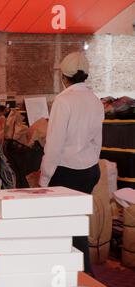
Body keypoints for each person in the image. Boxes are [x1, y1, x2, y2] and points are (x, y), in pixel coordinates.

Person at [39, 52, 104, 274]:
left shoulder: (63, 100)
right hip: (89, 170)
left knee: (62, 229)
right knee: (76, 225)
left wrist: (45, 178)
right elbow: (98, 141)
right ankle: (83, 273)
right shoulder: (95, 99)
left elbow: (54, 144)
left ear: (63, 77)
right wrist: (90, 163)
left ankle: (77, 275)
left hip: (66, 173)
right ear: (85, 75)